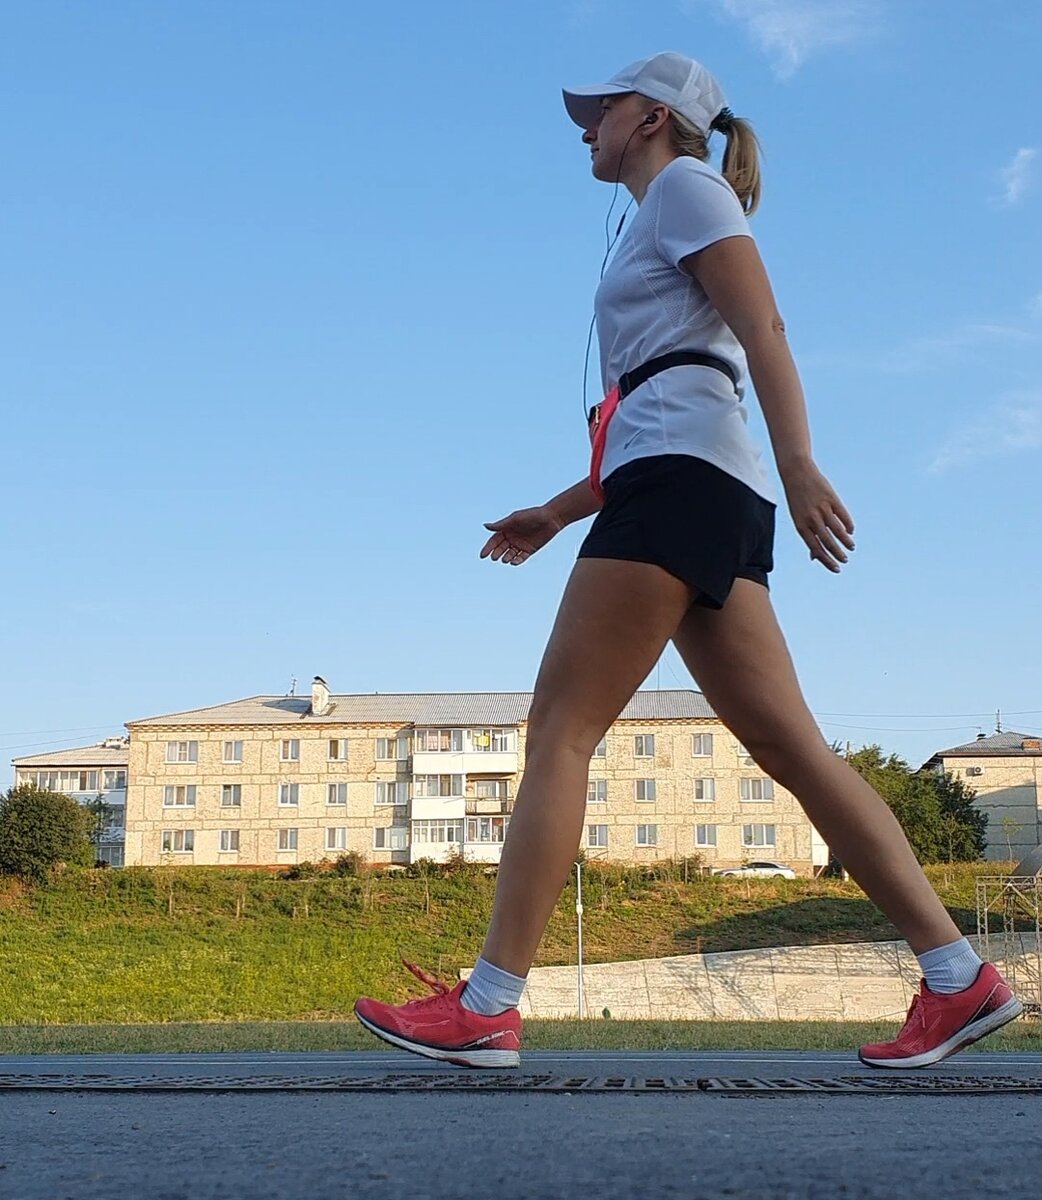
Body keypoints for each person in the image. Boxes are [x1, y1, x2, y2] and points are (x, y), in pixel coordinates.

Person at [354, 51, 1021, 1070]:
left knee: (560, 731)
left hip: (684, 485)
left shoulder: (685, 189)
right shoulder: (660, 209)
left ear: (654, 117)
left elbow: (761, 326)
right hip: (697, 486)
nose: (587, 125)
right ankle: (957, 975)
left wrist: (801, 464)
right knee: (794, 751)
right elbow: (670, 395)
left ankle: (488, 1005)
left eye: (603, 107)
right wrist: (559, 511)